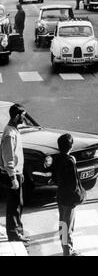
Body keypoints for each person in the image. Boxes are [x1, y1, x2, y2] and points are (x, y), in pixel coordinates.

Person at [0, 104, 30, 245]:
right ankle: (14, 234)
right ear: (17, 116)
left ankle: (17, 231)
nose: (24, 118)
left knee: (18, 203)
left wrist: (20, 173)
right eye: (22, 115)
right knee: (14, 205)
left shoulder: (14, 130)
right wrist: (13, 178)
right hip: (11, 175)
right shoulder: (9, 134)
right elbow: (8, 158)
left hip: (17, 173)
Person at [51, 133, 86, 256]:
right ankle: (68, 251)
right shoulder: (70, 161)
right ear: (71, 146)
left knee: (63, 225)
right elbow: (74, 184)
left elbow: (54, 178)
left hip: (60, 196)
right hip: (69, 199)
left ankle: (66, 249)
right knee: (68, 226)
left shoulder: (57, 159)